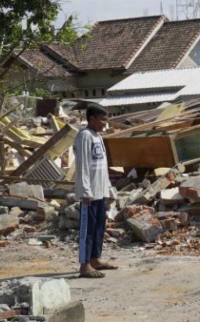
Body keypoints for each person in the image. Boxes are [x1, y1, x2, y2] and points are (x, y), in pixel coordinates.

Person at [75, 104, 118, 278]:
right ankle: (84, 265)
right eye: (102, 120)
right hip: (89, 193)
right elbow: (83, 165)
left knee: (99, 227)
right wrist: (85, 191)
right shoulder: (84, 136)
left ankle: (95, 259)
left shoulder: (98, 136)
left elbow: (102, 166)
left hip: (100, 191)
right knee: (88, 230)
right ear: (91, 119)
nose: (104, 124)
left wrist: (108, 188)